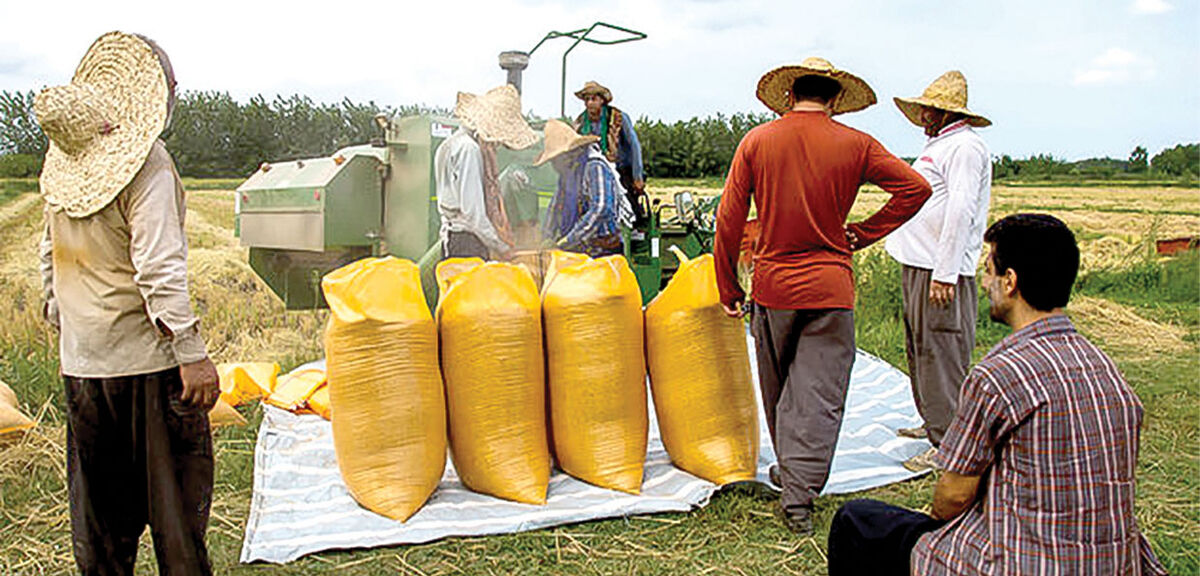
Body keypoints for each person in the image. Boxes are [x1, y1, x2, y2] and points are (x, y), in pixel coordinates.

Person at [827, 214, 1168, 576]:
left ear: (1011, 282)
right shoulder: (1106, 369)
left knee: (857, 521)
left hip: (1024, 563)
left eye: (989, 270)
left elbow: (952, 498)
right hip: (1113, 562)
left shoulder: (998, 375)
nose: (985, 282)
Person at [713, 57, 932, 535]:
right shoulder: (856, 144)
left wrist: (728, 285)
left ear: (790, 97)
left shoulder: (757, 141)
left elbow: (728, 218)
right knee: (819, 396)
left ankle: (794, 482)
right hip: (831, 288)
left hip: (773, 288)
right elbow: (915, 188)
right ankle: (799, 491)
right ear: (835, 101)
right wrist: (862, 233)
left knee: (779, 389)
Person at [36, 31, 219, 575]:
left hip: (85, 368)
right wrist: (191, 351)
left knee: (101, 526)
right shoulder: (148, 163)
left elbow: (49, 258)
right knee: (176, 522)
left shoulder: (65, 166)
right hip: (148, 368)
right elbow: (159, 268)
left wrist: (63, 322)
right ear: (159, 92)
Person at [883, 70, 993, 472]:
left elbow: (961, 208)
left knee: (943, 352)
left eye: (929, 110)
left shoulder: (964, 146)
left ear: (943, 112)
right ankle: (934, 421)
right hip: (919, 262)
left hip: (938, 270)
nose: (923, 116)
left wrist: (945, 272)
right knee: (922, 349)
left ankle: (949, 442)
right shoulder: (940, 145)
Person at [436, 84, 538, 260]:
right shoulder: (470, 150)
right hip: (467, 242)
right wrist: (502, 247)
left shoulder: (450, 144)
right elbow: (474, 214)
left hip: (455, 236)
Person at [535, 119, 634, 257]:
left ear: (569, 154)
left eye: (555, 159)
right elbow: (555, 206)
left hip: (603, 251)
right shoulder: (567, 175)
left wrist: (569, 240)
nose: (553, 164)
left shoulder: (595, 167)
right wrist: (546, 236)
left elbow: (601, 208)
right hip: (580, 249)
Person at [572, 81, 648, 222]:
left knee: (630, 206)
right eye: (587, 100)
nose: (589, 103)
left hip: (621, 170)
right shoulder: (580, 122)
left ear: (602, 100)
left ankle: (634, 231)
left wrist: (637, 177)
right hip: (592, 170)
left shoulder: (618, 117)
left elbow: (634, 145)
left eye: (593, 99)